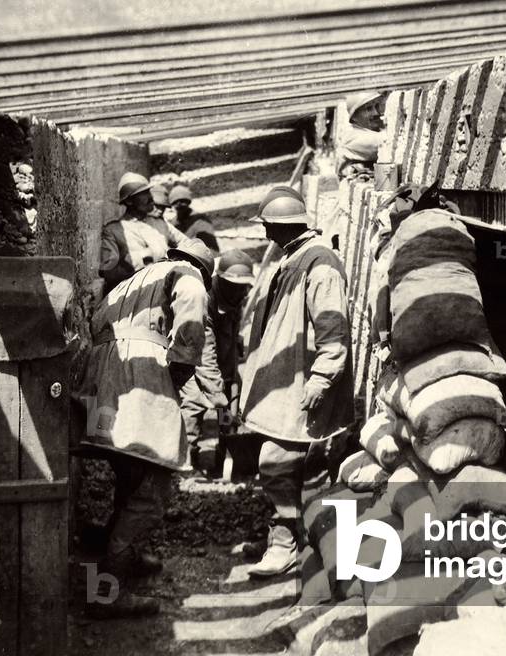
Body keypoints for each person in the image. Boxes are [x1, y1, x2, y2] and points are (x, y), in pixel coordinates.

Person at [78, 239, 215, 615]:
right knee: (150, 492)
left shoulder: (135, 280)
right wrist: (178, 373)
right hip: (139, 381)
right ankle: (105, 595)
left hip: (102, 384)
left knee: (131, 474)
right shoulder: (187, 276)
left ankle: (127, 559)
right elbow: (189, 329)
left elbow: (96, 323)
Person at [240, 186, 353, 577]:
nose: (265, 234)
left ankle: (286, 545)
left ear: (282, 226)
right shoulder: (293, 258)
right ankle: (285, 533)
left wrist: (321, 379)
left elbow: (332, 329)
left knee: (275, 464)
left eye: (268, 226)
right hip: (284, 384)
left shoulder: (320, 265)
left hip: (303, 384)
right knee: (285, 467)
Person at [180, 249, 256, 474]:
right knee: (192, 408)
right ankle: (186, 465)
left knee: (228, 417)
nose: (240, 291)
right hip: (195, 365)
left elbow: (231, 333)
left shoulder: (238, 295)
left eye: (243, 286)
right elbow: (205, 352)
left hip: (224, 365)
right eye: (234, 285)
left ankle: (223, 460)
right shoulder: (206, 299)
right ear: (221, 280)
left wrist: (230, 375)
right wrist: (216, 391)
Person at [100, 172, 191, 294]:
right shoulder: (113, 230)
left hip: (167, 284)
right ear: (129, 202)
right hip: (136, 293)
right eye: (143, 194)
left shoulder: (160, 223)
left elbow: (188, 244)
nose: (151, 197)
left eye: (149, 191)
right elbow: (109, 272)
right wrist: (142, 258)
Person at [338, 90, 387, 180]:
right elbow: (387, 142)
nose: (376, 113)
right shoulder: (351, 137)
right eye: (368, 109)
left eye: (376, 107)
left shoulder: (372, 131)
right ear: (354, 117)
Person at [169, 184, 219, 252]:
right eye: (175, 202)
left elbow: (210, 247)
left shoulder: (200, 220)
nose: (179, 204)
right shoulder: (172, 223)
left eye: (182, 201)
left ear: (188, 202)